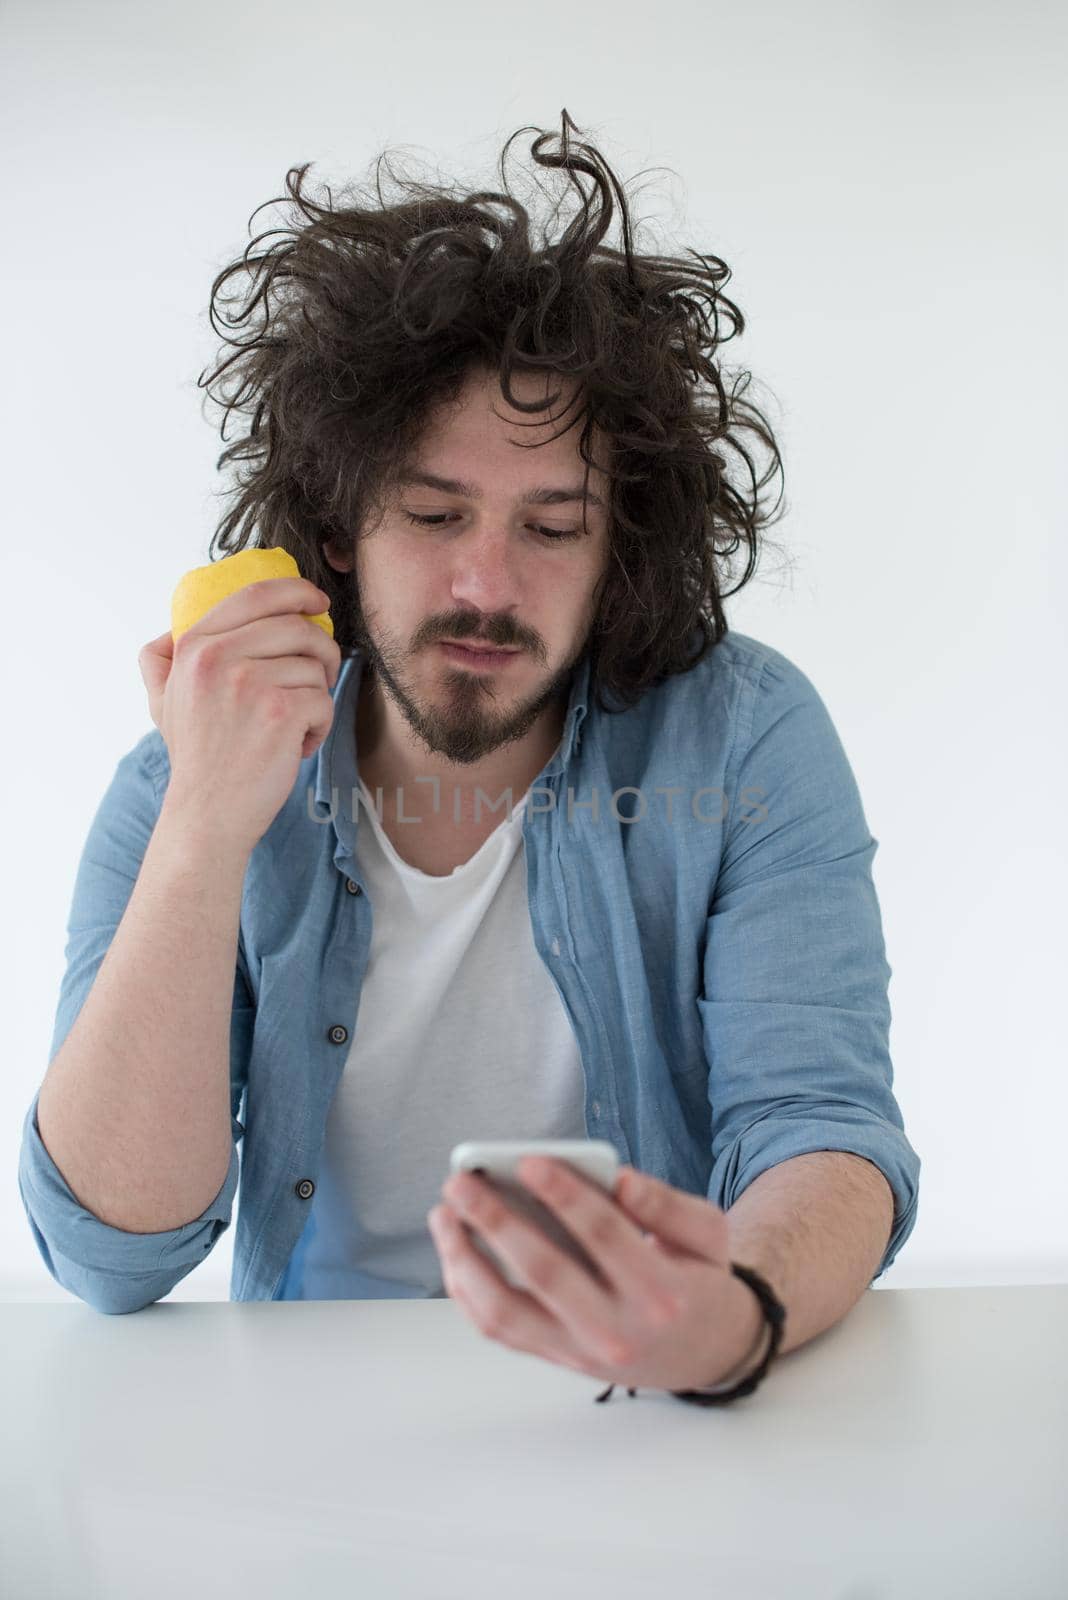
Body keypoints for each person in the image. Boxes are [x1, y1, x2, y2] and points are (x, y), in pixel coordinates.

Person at [19, 111, 919, 1399]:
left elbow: (822, 1129)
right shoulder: (179, 782)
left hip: (644, 1406)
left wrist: (730, 1319)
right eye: (435, 514)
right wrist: (207, 826)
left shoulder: (749, 737)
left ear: (621, 552)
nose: (488, 584)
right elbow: (106, 1253)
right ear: (338, 528)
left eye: (553, 528)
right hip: (304, 1423)